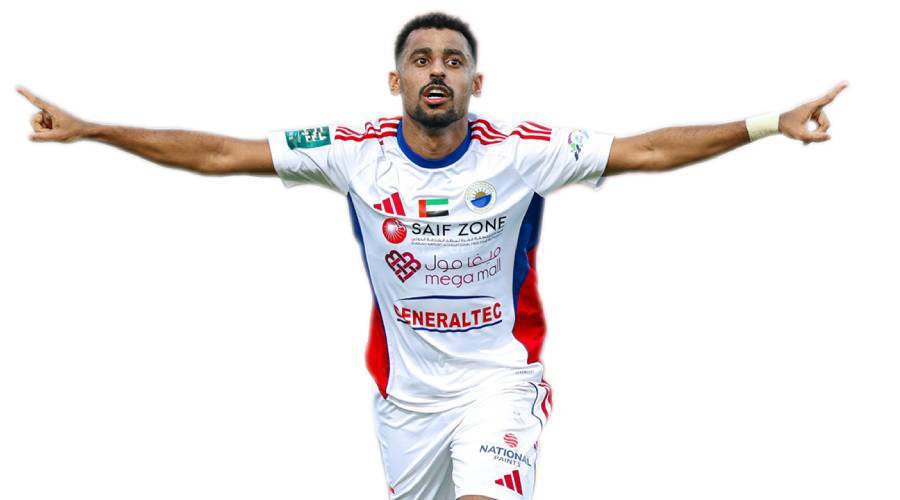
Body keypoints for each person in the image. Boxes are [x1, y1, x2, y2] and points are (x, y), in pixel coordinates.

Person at [17, 11, 847, 500]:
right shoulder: (351, 151)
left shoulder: (523, 151)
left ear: (477, 84)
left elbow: (648, 150)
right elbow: (219, 154)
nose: (437, 72)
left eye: (454, 61)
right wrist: (94, 130)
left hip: (499, 381)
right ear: (397, 83)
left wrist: (769, 124)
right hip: (405, 398)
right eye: (421, 60)